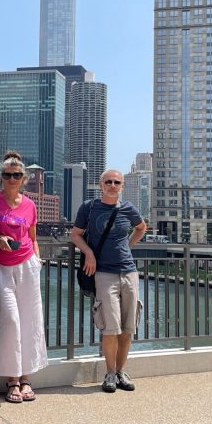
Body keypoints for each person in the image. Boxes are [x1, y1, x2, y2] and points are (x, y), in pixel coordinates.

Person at [70, 168, 147, 393]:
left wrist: (128, 247)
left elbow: (141, 228)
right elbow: (75, 234)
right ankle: (110, 373)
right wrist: (90, 253)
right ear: (100, 184)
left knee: (127, 328)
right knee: (110, 328)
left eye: (117, 182)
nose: (112, 185)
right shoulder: (89, 208)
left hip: (129, 272)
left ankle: (122, 372)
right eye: (108, 182)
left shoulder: (128, 208)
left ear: (122, 186)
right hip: (104, 274)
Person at [0, 151, 46, 402]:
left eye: (17, 175)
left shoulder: (30, 204)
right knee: (9, 320)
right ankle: (11, 378)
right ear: (1, 177)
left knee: (31, 320)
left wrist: (37, 261)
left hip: (27, 265)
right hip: (1, 266)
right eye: (7, 175)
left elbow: (32, 237)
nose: (12, 178)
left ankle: (25, 378)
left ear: (24, 178)